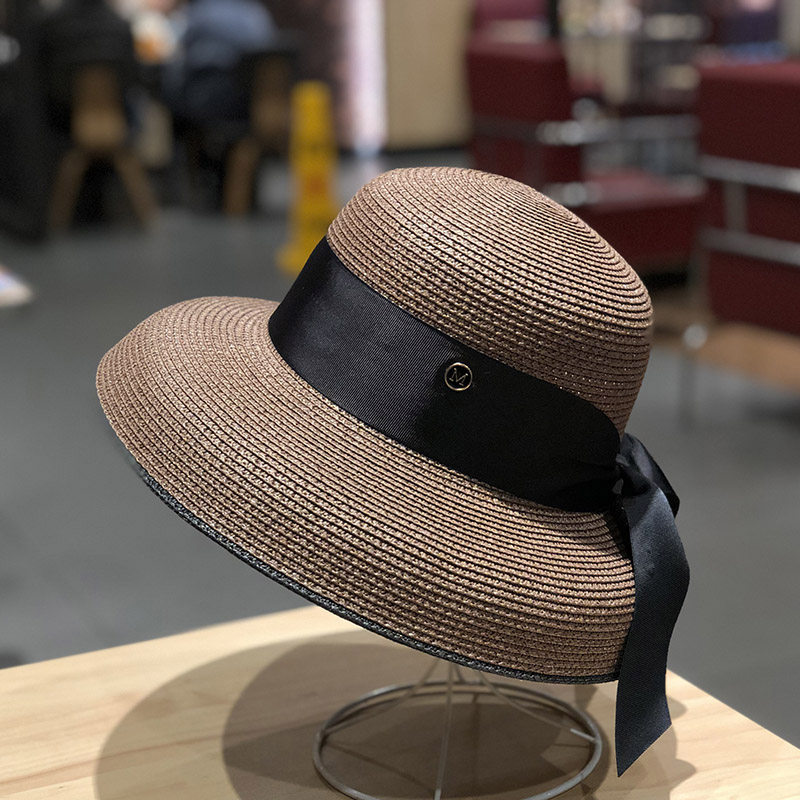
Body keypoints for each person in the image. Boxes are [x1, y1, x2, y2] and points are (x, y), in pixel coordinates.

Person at [163, 0, 277, 125]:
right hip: (252, 104)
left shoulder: (201, 12)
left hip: (209, 102)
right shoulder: (255, 13)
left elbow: (180, 51)